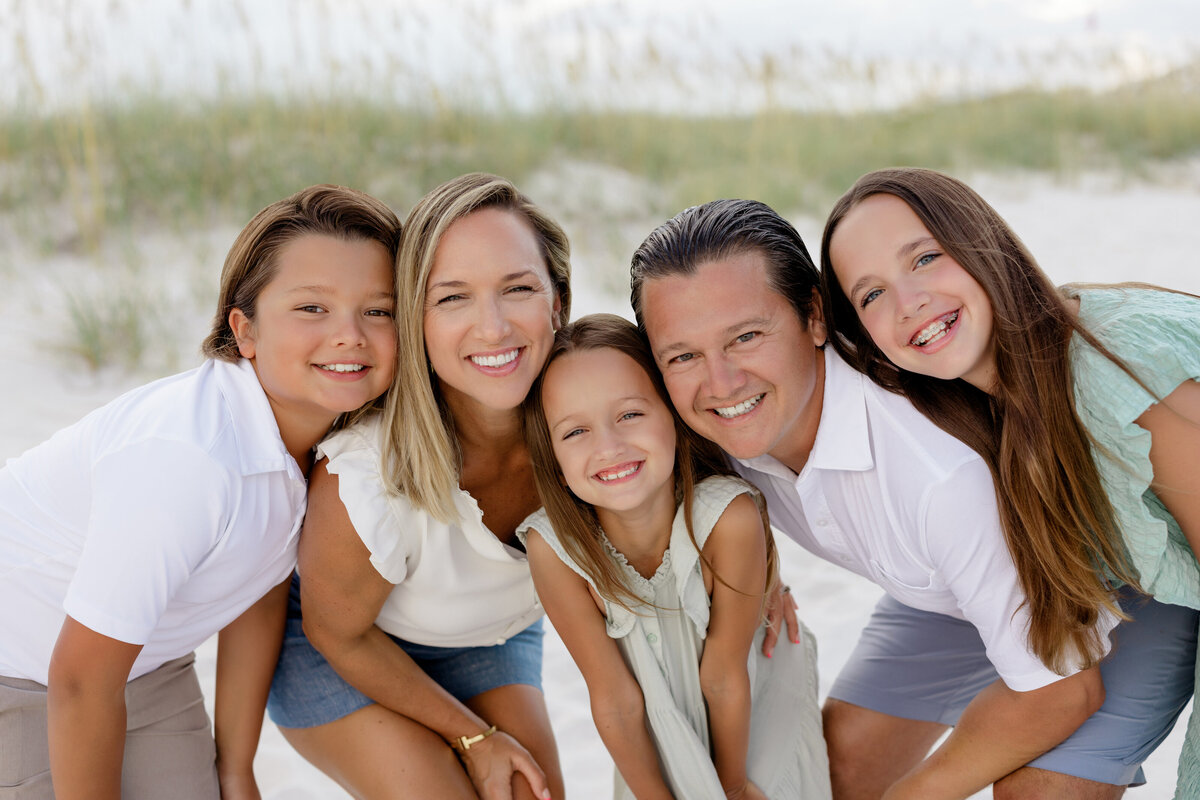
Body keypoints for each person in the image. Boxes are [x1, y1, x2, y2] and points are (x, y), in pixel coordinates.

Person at [628, 197, 1199, 800]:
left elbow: (1061, 690)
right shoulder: (702, 419)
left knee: (1040, 791)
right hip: (944, 589)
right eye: (684, 355)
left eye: (745, 336)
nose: (721, 383)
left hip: (1105, 584)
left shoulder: (937, 476)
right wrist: (758, 565)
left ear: (815, 317)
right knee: (837, 770)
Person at [0, 184, 401, 800]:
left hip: (148, 669)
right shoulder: (190, 458)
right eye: (312, 309)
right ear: (245, 330)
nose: (350, 334)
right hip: (26, 676)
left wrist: (236, 768)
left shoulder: (332, 439)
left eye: (378, 310)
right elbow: (79, 680)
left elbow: (255, 588)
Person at [819, 166, 1200, 798]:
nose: (907, 300)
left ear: (980, 243)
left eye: (925, 258)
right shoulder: (959, 408)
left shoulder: (1108, 374)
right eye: (870, 295)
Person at [266, 173, 570, 800]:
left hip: (486, 632)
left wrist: (761, 572)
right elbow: (338, 632)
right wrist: (473, 737)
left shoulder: (599, 421)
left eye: (517, 289)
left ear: (557, 303)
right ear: (415, 319)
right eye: (452, 297)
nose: (492, 328)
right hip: (344, 645)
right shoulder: (368, 469)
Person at [518, 313, 831, 800]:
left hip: (755, 705)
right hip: (653, 736)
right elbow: (615, 698)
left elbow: (724, 676)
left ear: (674, 419)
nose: (609, 447)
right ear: (554, 463)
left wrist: (732, 787)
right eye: (575, 432)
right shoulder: (554, 549)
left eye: (629, 415)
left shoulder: (728, 519)